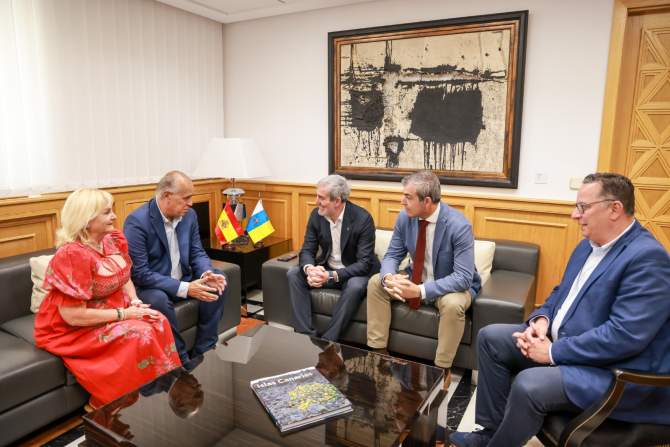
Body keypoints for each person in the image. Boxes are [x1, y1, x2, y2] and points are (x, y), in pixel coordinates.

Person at [450, 173, 670, 447]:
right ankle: (488, 433)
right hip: (571, 346)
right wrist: (542, 320)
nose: (574, 215)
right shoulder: (588, 245)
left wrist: (553, 352)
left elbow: (624, 336)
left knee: (529, 384)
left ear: (615, 209)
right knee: (491, 338)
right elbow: (560, 292)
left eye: (583, 207)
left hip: (613, 373)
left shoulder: (647, 258)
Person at [34, 189, 180, 409]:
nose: (114, 216)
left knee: (158, 320)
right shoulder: (72, 255)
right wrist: (125, 314)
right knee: (140, 333)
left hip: (112, 309)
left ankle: (152, 394)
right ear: (86, 220)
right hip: (72, 328)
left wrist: (134, 300)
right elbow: (73, 316)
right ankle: (108, 403)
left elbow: (124, 276)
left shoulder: (111, 239)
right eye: (106, 212)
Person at [367, 170, 481, 380]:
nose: (402, 201)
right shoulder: (405, 217)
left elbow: (463, 277)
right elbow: (392, 254)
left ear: (427, 201)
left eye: (408, 197)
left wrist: (420, 291)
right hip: (416, 277)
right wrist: (388, 277)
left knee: (453, 304)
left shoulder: (459, 226)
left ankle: (442, 369)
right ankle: (379, 353)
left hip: (449, 286)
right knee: (376, 283)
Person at [124, 170, 227, 368]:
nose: (191, 203)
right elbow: (141, 273)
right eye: (186, 198)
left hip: (185, 278)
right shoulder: (137, 222)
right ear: (166, 196)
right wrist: (186, 288)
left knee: (218, 279)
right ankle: (181, 361)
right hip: (154, 286)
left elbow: (197, 252)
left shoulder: (189, 216)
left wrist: (206, 273)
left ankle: (204, 349)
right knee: (158, 300)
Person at [287, 174, 379, 341]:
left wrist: (330, 276)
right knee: (293, 274)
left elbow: (364, 264)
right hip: (327, 269)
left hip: (353, 273)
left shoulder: (362, 219)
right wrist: (310, 269)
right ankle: (305, 337)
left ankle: (328, 341)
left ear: (337, 201)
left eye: (321, 198)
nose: (316, 201)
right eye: (317, 196)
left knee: (355, 286)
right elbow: (307, 249)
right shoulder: (317, 215)